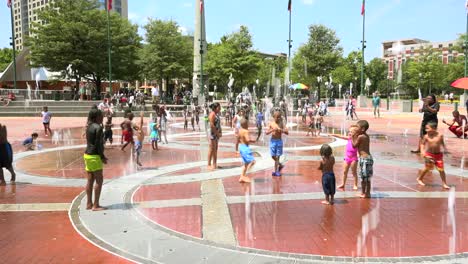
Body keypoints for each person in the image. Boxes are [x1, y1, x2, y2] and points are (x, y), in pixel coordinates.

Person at [83, 108, 107, 211]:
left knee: (90, 180)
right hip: (95, 156)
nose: (103, 117)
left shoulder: (88, 127)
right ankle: (96, 205)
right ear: (97, 117)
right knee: (99, 180)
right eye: (101, 116)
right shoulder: (98, 128)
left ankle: (89, 203)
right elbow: (98, 144)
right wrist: (102, 156)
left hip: (87, 155)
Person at [417, 122, 450, 189]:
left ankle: (444, 183)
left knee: (441, 170)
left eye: (427, 128)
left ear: (434, 129)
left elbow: (442, 143)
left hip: (438, 156)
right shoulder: (426, 136)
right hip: (429, 155)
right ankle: (419, 178)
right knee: (427, 168)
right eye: (425, 128)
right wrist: (423, 152)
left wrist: (445, 149)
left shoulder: (440, 135)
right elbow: (422, 144)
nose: (426, 130)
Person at [352, 120, 373, 198]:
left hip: (365, 159)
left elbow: (354, 145)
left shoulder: (361, 137)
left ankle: (367, 193)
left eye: (357, 127)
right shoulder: (366, 136)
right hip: (365, 159)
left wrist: (353, 136)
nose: (356, 128)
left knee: (366, 178)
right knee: (364, 177)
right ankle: (364, 192)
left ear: (363, 129)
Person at [266, 110, 289, 176]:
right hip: (272, 141)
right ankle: (280, 165)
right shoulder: (271, 123)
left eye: (279, 117)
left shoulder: (281, 123)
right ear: (274, 117)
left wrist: (281, 130)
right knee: (273, 156)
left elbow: (287, 132)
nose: (278, 118)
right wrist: (272, 130)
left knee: (277, 156)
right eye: (277, 117)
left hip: (279, 141)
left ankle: (276, 171)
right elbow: (266, 133)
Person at [337, 125, 359, 190]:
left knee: (354, 172)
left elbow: (357, 147)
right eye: (349, 131)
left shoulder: (357, 140)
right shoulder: (349, 138)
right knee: (344, 171)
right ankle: (343, 184)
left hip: (354, 158)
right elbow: (341, 136)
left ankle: (355, 185)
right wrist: (333, 134)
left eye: (351, 132)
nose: (349, 133)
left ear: (356, 133)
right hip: (347, 158)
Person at [238, 118, 256, 183]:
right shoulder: (246, 131)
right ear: (246, 124)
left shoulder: (240, 131)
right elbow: (247, 140)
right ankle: (245, 175)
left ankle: (241, 177)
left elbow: (238, 139)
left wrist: (237, 147)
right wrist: (253, 140)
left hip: (241, 147)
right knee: (252, 161)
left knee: (246, 163)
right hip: (245, 148)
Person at [208, 103, 222, 170]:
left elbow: (218, 124)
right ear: (216, 108)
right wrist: (217, 133)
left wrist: (220, 132)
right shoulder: (212, 114)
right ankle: (209, 164)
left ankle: (214, 164)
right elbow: (212, 125)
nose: (220, 109)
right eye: (219, 107)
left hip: (216, 134)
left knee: (215, 149)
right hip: (213, 134)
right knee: (212, 149)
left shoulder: (216, 114)